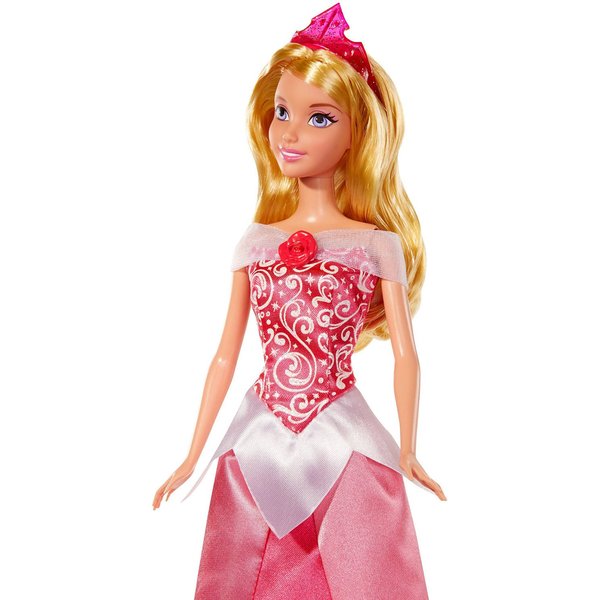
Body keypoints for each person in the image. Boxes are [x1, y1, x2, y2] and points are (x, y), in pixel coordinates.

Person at [153, 4, 446, 598]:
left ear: (357, 134)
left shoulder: (377, 245)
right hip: (257, 435)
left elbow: (406, 356)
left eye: (319, 118)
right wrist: (193, 453)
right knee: (250, 571)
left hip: (345, 434)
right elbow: (224, 355)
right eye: (282, 112)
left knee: (361, 567)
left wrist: (409, 447)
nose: (289, 134)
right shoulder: (255, 243)